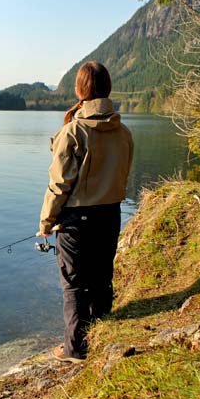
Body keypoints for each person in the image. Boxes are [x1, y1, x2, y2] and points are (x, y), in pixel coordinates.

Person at [38, 61, 134, 363]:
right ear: (107, 89)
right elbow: (122, 174)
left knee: (75, 284)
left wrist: (46, 222)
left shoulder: (72, 132)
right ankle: (103, 336)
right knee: (102, 277)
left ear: (80, 91)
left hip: (76, 221)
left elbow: (58, 186)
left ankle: (76, 350)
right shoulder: (124, 132)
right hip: (111, 215)